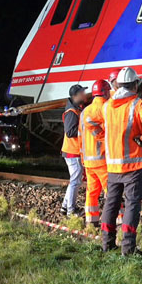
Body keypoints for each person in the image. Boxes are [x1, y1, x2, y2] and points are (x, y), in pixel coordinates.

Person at [97, 67, 142, 254]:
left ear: (118, 85)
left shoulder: (107, 106)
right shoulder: (138, 104)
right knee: (132, 205)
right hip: (134, 166)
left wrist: (101, 137)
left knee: (111, 204)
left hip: (113, 167)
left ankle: (107, 244)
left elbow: (93, 122)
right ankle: (128, 248)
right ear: (135, 85)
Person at [79, 79, 111, 227]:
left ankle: (91, 222)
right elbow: (107, 134)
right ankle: (117, 220)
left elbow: (80, 136)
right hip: (102, 159)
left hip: (88, 160)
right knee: (111, 191)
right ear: (105, 92)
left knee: (91, 192)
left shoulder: (84, 112)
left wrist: (82, 157)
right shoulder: (106, 109)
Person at [60, 84, 88, 216]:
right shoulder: (72, 112)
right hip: (73, 152)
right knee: (75, 181)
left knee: (74, 180)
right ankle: (71, 211)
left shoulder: (75, 110)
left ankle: (65, 207)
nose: (84, 94)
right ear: (75, 95)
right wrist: (85, 128)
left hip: (72, 151)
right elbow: (70, 132)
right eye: (82, 92)